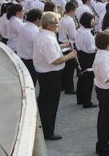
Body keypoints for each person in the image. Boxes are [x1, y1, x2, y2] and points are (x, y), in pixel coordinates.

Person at [33, 12, 77, 140]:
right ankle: (47, 132)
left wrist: (62, 46)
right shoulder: (47, 39)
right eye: (57, 22)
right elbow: (55, 60)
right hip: (50, 75)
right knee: (50, 104)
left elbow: (50, 51)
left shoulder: (44, 34)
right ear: (50, 25)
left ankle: (42, 126)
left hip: (45, 73)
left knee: (44, 101)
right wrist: (70, 55)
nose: (59, 24)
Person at [75, 12, 97, 108]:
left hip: (81, 54)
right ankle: (87, 102)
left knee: (82, 78)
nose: (94, 22)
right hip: (88, 57)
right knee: (88, 80)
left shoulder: (79, 30)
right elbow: (90, 48)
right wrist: (97, 48)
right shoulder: (87, 32)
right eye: (92, 20)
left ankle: (80, 99)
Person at [17, 9, 42, 85]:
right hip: (30, 60)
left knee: (24, 81)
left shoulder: (23, 25)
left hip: (21, 57)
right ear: (38, 19)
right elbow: (39, 48)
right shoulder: (35, 31)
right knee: (31, 82)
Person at [58, 1, 77, 94]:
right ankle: (69, 88)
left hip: (61, 43)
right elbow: (73, 36)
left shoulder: (62, 19)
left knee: (64, 67)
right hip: (67, 44)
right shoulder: (70, 21)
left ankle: (62, 86)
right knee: (70, 68)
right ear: (72, 10)